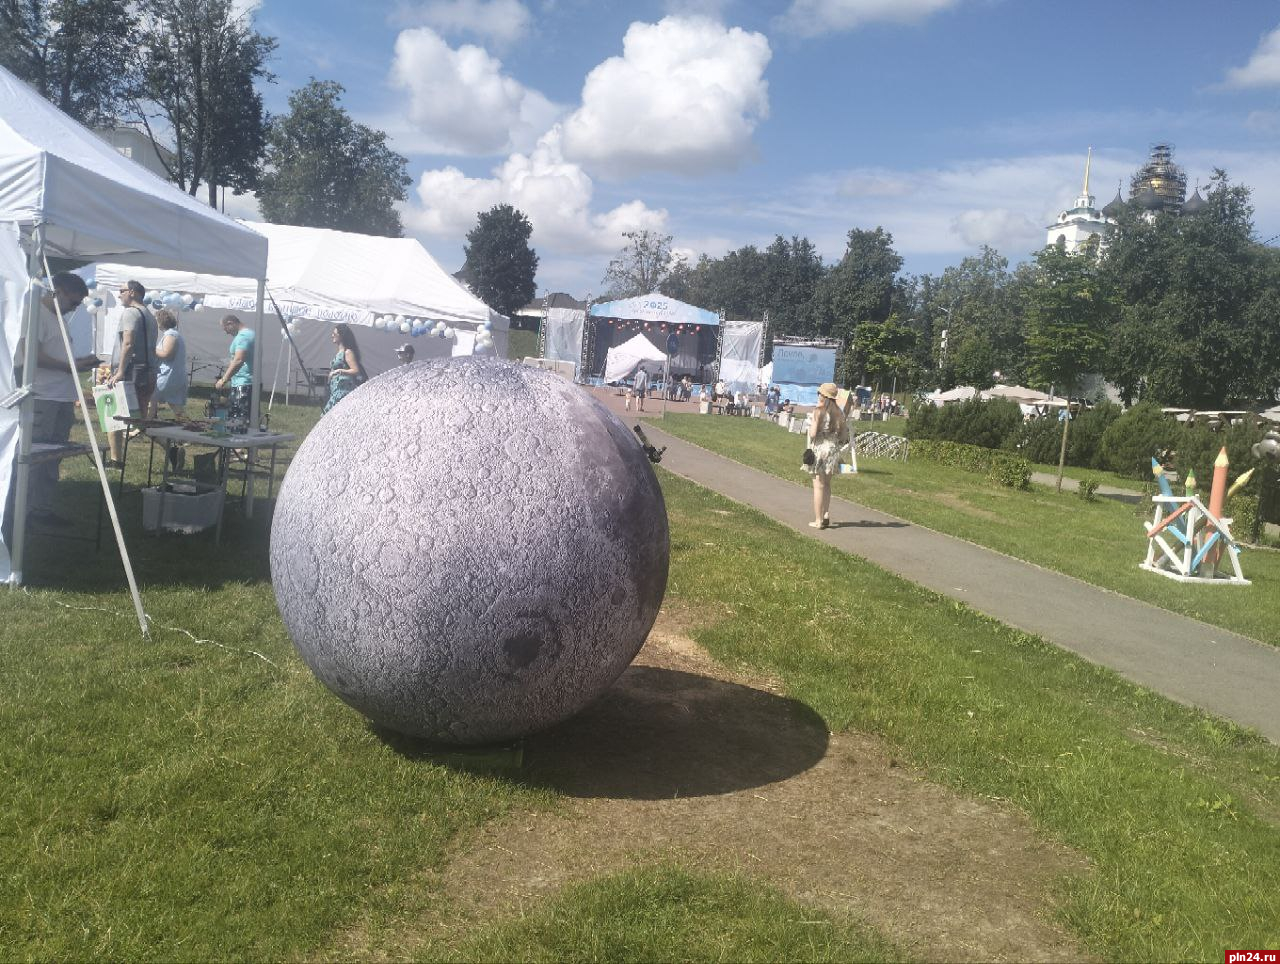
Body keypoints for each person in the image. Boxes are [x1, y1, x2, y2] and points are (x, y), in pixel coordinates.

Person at [16, 273, 99, 527]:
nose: (75, 308)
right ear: (58, 291)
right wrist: (69, 367)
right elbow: (30, 355)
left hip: (61, 398)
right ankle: (19, 514)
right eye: (73, 302)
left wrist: (79, 362)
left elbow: (59, 356)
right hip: (43, 397)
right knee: (34, 458)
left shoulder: (58, 318)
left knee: (53, 457)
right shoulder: (35, 315)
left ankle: (41, 510)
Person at [105, 280, 158, 466]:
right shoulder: (150, 315)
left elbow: (128, 343)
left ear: (133, 292)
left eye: (122, 290)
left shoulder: (131, 312)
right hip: (148, 371)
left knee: (112, 414)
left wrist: (119, 371)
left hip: (131, 371)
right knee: (139, 419)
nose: (119, 294)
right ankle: (171, 447)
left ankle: (115, 461)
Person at [804, 382, 849, 529]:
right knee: (827, 485)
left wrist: (812, 426)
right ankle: (825, 514)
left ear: (824, 396)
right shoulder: (840, 413)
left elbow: (812, 434)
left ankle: (818, 520)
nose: (818, 395)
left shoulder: (818, 411)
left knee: (818, 486)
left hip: (820, 450)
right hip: (833, 450)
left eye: (820, 393)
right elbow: (844, 436)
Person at [214, 314, 255, 422]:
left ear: (230, 323)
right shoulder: (250, 334)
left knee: (238, 420)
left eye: (225, 329)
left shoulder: (243, 337)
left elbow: (238, 360)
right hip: (246, 382)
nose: (226, 333)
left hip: (244, 383)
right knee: (245, 418)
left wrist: (223, 380)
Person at [148, 309, 188, 419]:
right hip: (175, 374)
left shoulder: (171, 335)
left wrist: (151, 348)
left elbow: (166, 353)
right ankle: (188, 425)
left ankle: (146, 423)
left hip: (168, 375)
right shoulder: (173, 334)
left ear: (161, 321)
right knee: (175, 405)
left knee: (152, 398)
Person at [323, 323, 367, 413]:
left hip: (343, 390)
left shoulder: (348, 352)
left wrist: (339, 371)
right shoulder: (340, 352)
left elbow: (355, 370)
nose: (332, 336)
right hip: (336, 389)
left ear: (341, 336)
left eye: (334, 334)